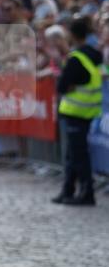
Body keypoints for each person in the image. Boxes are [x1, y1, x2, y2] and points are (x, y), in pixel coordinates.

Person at [52, 18, 103, 207]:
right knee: (73, 153)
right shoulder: (95, 54)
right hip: (89, 110)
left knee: (78, 155)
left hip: (75, 111)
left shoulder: (76, 58)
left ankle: (86, 192)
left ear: (72, 35)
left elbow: (63, 86)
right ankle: (68, 190)